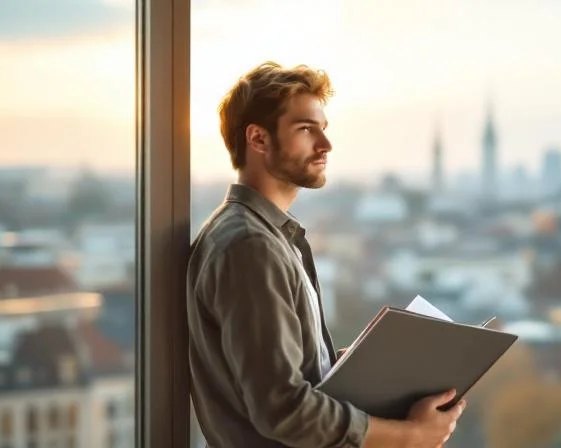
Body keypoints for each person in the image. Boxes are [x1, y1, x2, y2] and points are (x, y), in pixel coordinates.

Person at [186, 61, 466, 448]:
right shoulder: (250, 247)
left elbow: (276, 378)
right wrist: (410, 437)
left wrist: (346, 366)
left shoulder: (269, 237)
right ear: (258, 139)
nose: (326, 144)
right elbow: (283, 409)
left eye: (323, 128)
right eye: (306, 129)